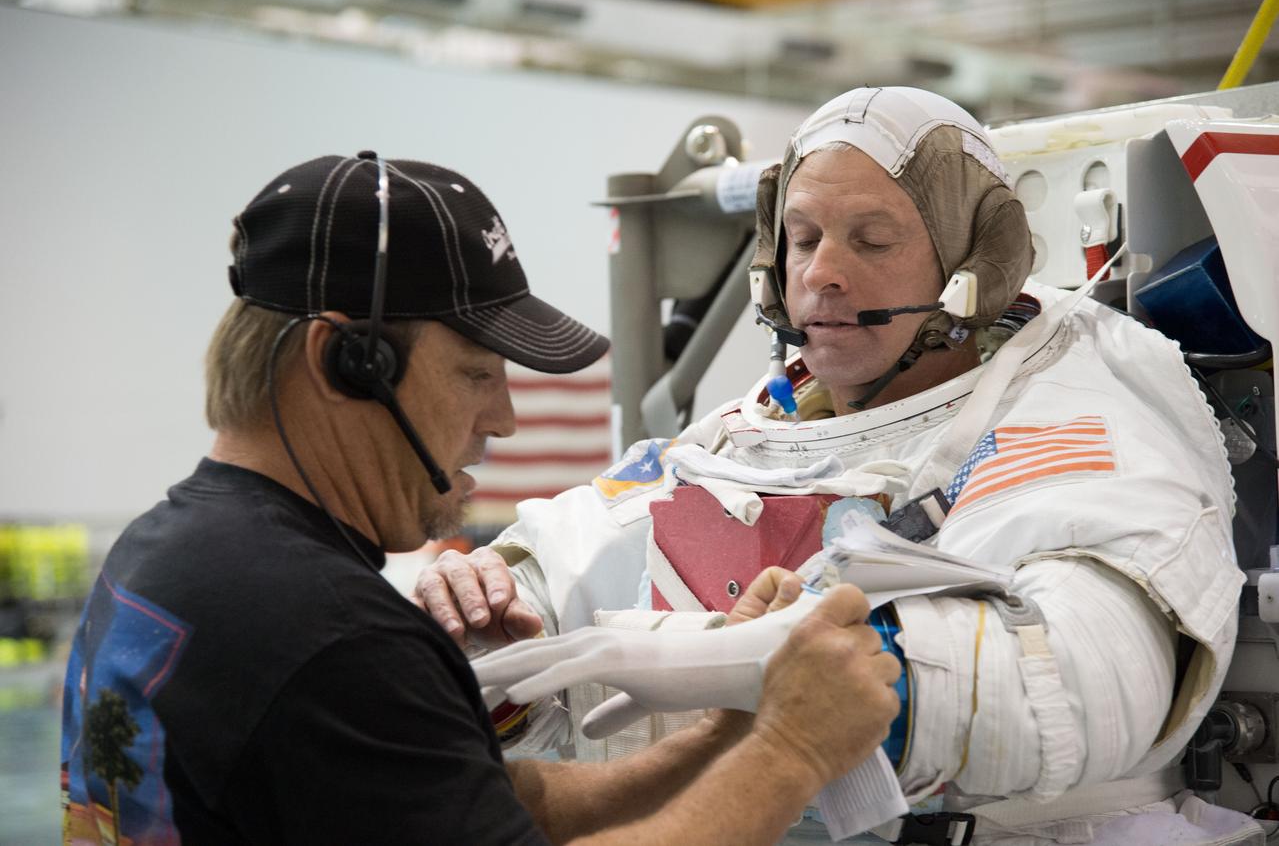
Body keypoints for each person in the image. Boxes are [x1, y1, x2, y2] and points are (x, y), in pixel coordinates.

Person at [416, 88, 1265, 845]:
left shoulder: (1075, 408)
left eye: (871, 239)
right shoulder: (738, 440)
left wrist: (766, 666)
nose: (821, 273)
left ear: (974, 266)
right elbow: (562, 569)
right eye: (803, 237)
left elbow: (1078, 682)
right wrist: (481, 621)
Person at [58, 152, 903, 845]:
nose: (501, 417)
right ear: (344, 363)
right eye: (475, 374)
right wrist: (792, 750)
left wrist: (726, 732)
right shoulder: (326, 637)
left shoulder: (165, 556)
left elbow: (476, 805)